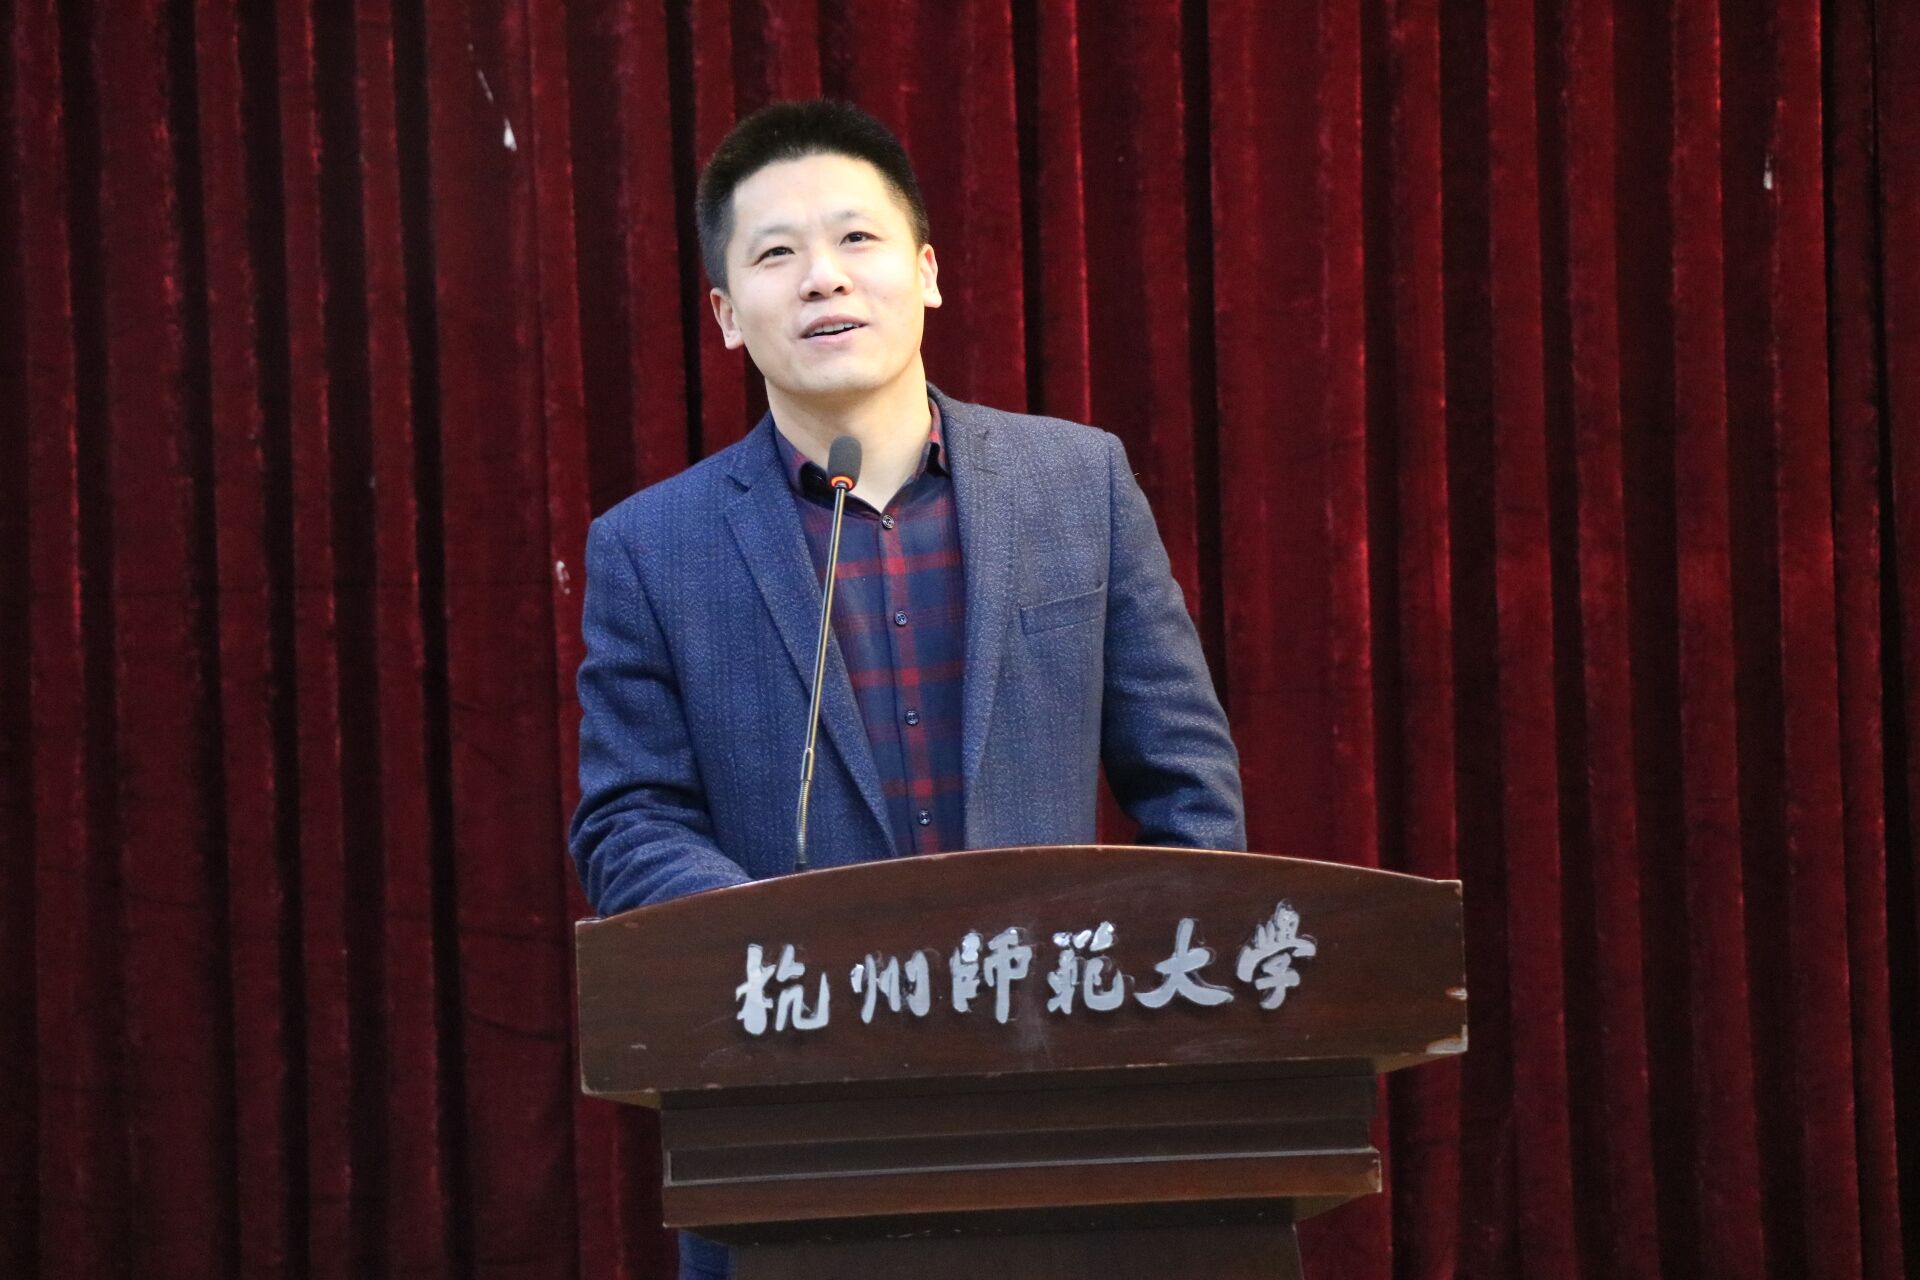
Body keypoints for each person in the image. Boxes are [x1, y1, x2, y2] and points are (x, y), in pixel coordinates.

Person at [568, 99, 1245, 1280]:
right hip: (794, 1123)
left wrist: (1145, 1008)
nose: (822, 277)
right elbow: (628, 820)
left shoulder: (1077, 482)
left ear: (927, 272)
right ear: (726, 315)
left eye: (857, 239)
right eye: (776, 254)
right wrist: (785, 956)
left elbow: (1189, 785)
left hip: (1068, 1107)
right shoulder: (650, 547)